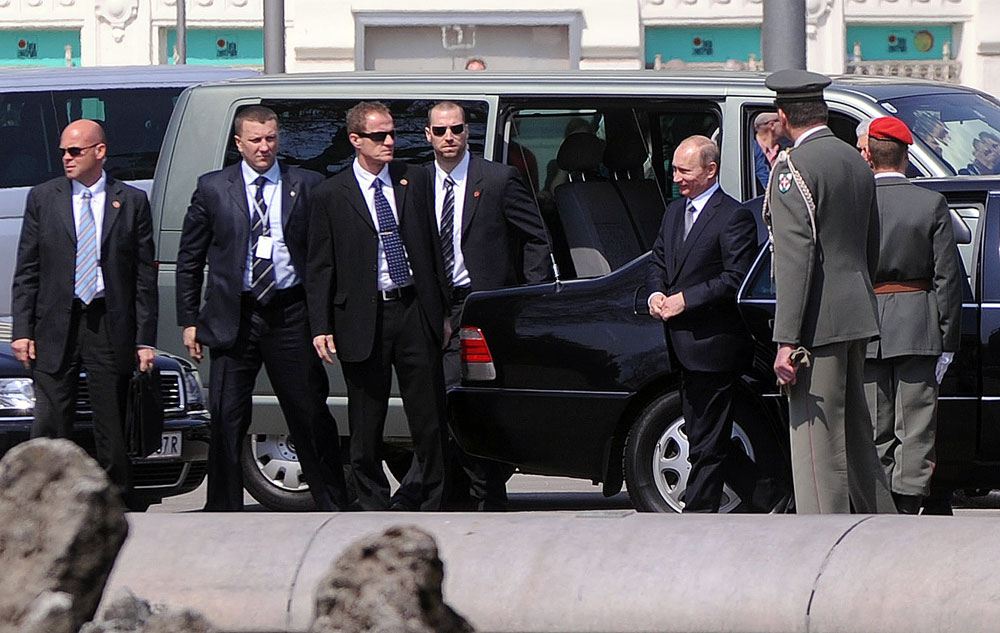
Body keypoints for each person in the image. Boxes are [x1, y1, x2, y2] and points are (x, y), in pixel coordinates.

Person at [175, 105, 349, 512]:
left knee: (307, 411)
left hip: (290, 312)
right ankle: (223, 509)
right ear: (239, 143)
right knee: (226, 416)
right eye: (255, 140)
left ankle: (332, 502)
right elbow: (190, 258)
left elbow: (324, 257)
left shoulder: (304, 184)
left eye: (270, 138)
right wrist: (188, 320)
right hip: (235, 316)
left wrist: (323, 319)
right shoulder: (213, 188)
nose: (264, 147)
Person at [393, 100, 554, 511]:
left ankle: (451, 490)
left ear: (469, 132)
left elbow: (535, 238)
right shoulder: (415, 181)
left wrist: (528, 301)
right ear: (427, 135)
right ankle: (454, 489)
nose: (450, 137)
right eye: (441, 130)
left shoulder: (499, 179)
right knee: (441, 399)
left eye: (457, 129)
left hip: (483, 306)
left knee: (473, 400)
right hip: (434, 306)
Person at [306, 101, 451, 511]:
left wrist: (440, 312)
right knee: (366, 419)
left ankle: (430, 498)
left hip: (412, 310)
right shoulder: (331, 194)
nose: (389, 142)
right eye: (378, 136)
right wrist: (321, 325)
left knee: (429, 416)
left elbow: (431, 249)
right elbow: (320, 266)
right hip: (362, 317)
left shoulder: (415, 179)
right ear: (355, 141)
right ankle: (372, 501)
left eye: (391, 133)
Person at [764, 69, 895, 515]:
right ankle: (886, 530)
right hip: (856, 309)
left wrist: (786, 340)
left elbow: (795, 256)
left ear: (783, 116)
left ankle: (822, 543)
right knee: (856, 435)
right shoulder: (854, 160)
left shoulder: (793, 167)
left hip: (817, 321)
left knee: (816, 450)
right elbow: (870, 243)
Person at [12, 119, 157, 496]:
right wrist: (22, 330)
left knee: (111, 420)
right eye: (63, 150)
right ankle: (46, 499)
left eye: (74, 151)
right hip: (57, 322)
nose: (66, 158)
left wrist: (145, 339)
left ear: (100, 151)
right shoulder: (44, 198)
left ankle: (116, 503)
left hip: (107, 320)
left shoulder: (131, 201)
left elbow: (144, 277)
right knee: (52, 419)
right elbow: (28, 269)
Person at [645, 135, 762, 513]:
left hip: (714, 343)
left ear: (710, 171)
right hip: (679, 344)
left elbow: (736, 277)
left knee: (708, 440)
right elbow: (658, 261)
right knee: (701, 433)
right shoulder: (673, 213)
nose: (676, 177)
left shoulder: (733, 216)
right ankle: (767, 494)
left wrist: (686, 300)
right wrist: (656, 294)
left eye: (685, 170)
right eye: (674, 169)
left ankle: (699, 515)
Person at [862, 116, 962, 514]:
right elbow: (947, 278)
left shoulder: (856, 203)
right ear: (906, 155)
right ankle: (908, 503)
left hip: (866, 324)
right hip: (917, 324)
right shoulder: (929, 203)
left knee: (875, 425)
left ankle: (880, 504)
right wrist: (948, 339)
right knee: (916, 425)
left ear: (869, 156)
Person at [753, 111, 790, 189]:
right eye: (783, 121)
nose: (787, 126)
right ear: (772, 125)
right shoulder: (751, 151)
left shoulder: (788, 147)